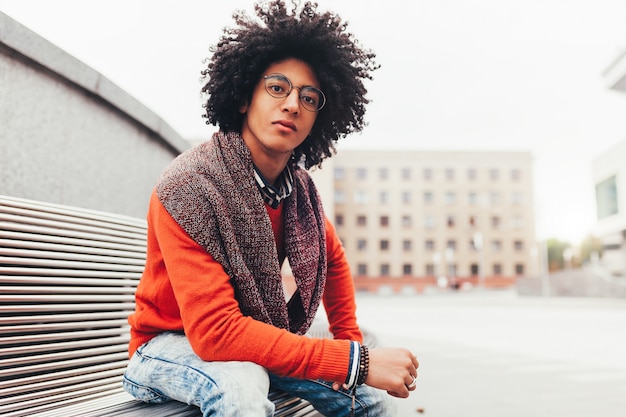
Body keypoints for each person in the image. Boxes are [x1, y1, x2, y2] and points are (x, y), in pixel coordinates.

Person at [122, 1, 419, 416]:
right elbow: (215, 334)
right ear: (244, 97)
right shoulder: (189, 187)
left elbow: (332, 259)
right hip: (164, 348)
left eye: (309, 97)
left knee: (363, 398)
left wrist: (349, 342)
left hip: (250, 339)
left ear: (320, 117)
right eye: (277, 88)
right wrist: (357, 362)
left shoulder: (299, 194)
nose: (293, 105)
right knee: (242, 383)